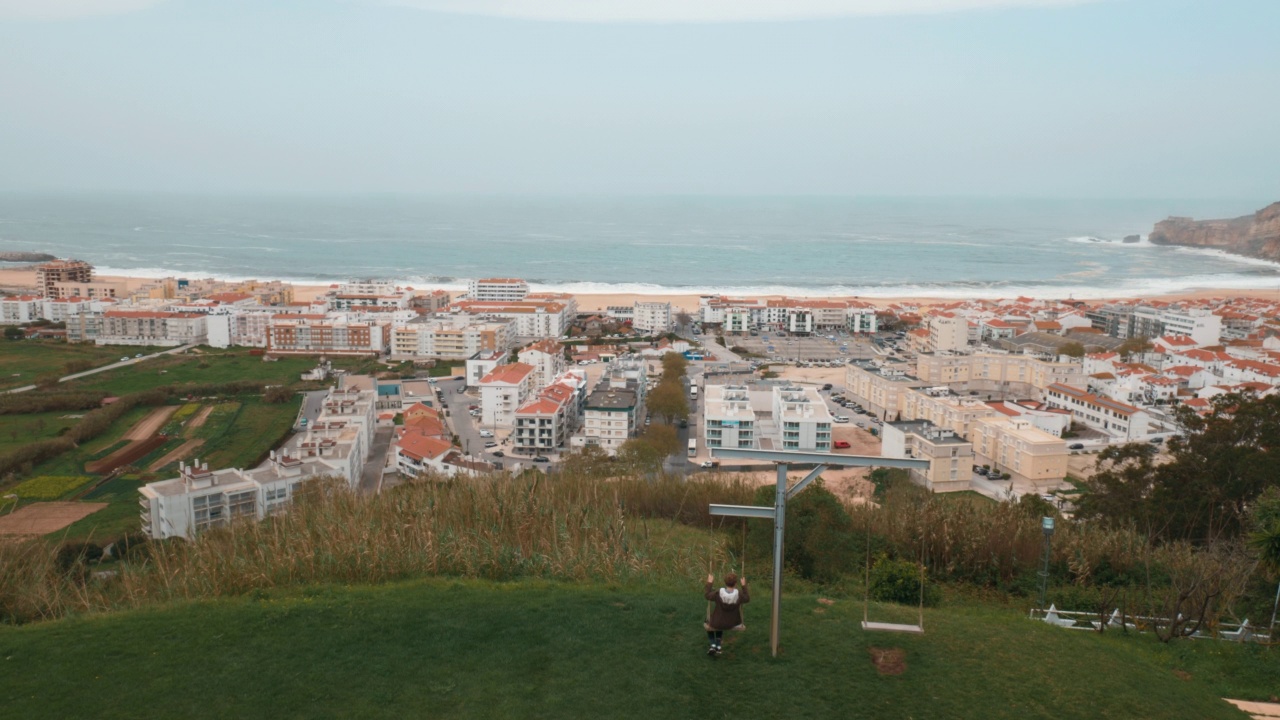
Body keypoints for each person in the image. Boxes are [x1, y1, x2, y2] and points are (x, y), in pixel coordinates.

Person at [703, 572, 749, 656]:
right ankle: (718, 647)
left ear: (725, 582)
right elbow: (747, 599)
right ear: (735, 583)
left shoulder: (718, 593)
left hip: (717, 622)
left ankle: (713, 645)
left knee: (708, 622)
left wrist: (709, 582)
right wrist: (743, 586)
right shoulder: (739, 594)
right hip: (732, 623)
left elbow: (707, 595)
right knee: (720, 623)